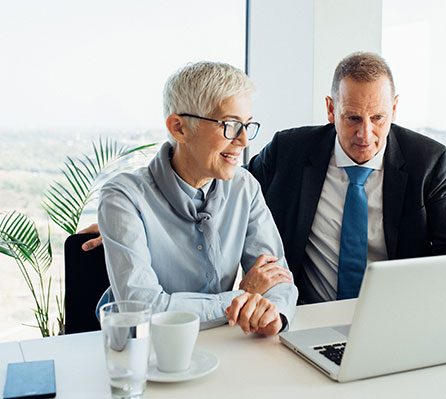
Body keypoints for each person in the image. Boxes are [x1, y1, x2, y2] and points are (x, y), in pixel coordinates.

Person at [246, 52, 446, 304]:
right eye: (353, 118)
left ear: (394, 108)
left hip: (396, 314)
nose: (365, 134)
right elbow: (234, 191)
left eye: (378, 118)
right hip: (306, 316)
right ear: (331, 109)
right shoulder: (288, 150)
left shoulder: (428, 161)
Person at [95, 61, 297, 335]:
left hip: (224, 344)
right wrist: (241, 297)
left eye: (247, 125)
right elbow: (141, 308)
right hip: (147, 352)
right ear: (179, 128)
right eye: (230, 125)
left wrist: (275, 313)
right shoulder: (123, 197)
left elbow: (277, 278)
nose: (244, 141)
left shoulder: (244, 187)